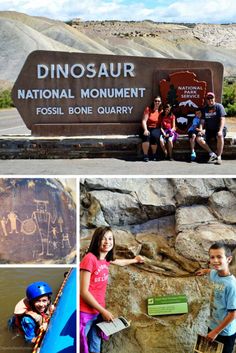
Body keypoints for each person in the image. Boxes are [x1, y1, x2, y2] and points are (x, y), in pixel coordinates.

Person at [80, 226, 144, 353]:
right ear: (96, 240)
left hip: (97, 312)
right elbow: (83, 291)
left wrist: (135, 260)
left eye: (110, 238)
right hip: (86, 312)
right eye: (103, 239)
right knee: (81, 344)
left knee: (95, 344)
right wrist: (103, 311)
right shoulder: (90, 259)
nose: (107, 242)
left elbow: (119, 262)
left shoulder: (105, 260)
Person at [196, 242, 236, 353]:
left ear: (228, 259)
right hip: (213, 325)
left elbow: (233, 314)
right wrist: (204, 271)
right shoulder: (214, 274)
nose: (215, 260)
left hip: (225, 332)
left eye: (219, 257)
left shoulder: (231, 285)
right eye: (212, 257)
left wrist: (216, 332)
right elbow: (210, 271)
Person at [196, 92, 227, 165]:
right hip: (209, 129)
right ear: (206, 100)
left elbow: (222, 119)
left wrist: (220, 130)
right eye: (208, 98)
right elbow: (202, 121)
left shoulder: (219, 106)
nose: (210, 100)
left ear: (214, 98)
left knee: (219, 136)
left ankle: (219, 157)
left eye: (211, 98)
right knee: (199, 138)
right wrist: (201, 130)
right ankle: (212, 153)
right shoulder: (204, 109)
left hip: (218, 128)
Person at [141, 96, 162, 162]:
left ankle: (154, 154)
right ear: (153, 101)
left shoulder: (161, 111)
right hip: (147, 127)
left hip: (156, 128)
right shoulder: (148, 109)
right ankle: (145, 155)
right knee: (146, 136)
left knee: (154, 136)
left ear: (160, 102)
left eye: (158, 101)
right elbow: (144, 120)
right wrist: (145, 129)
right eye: (156, 101)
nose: (157, 102)